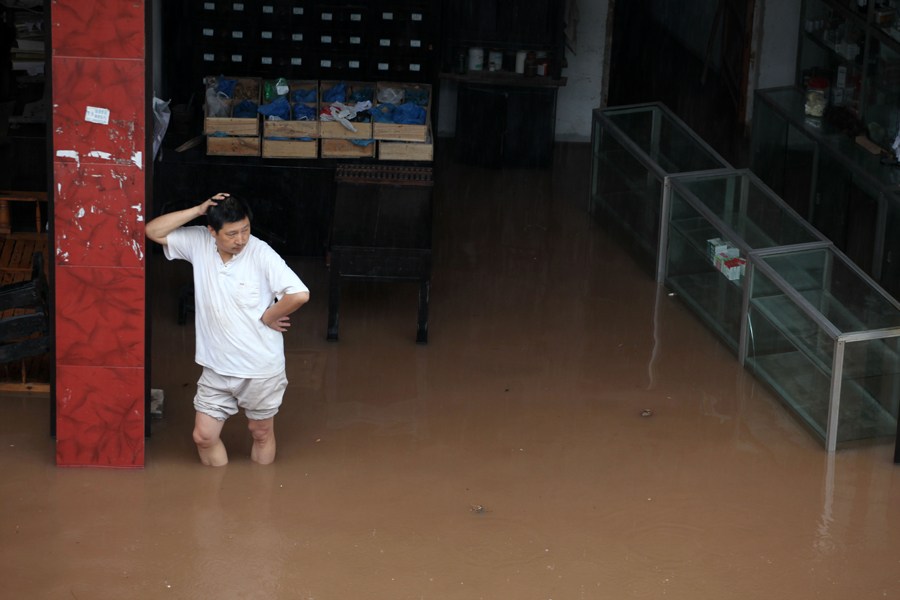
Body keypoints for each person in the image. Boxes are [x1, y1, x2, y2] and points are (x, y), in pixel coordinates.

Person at [145, 192, 309, 466]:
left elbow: (299, 294)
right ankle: (217, 499)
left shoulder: (261, 253)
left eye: (245, 230)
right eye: (232, 234)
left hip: (259, 370)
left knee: (260, 432)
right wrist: (198, 209)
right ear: (212, 231)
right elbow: (152, 230)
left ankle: (258, 499)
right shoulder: (198, 242)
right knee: (203, 437)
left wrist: (269, 316)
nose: (241, 239)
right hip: (216, 367)